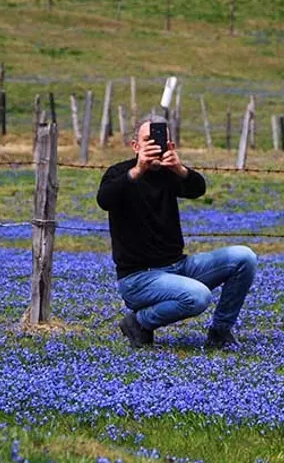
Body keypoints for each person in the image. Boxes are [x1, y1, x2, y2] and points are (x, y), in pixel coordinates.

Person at [96, 114, 257, 349]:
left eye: (160, 140)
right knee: (199, 296)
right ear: (135, 146)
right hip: (139, 277)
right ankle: (139, 322)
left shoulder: (170, 173)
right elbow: (105, 199)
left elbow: (197, 189)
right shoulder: (119, 173)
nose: (154, 145)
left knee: (245, 257)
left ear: (169, 145)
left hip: (179, 267)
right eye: (148, 140)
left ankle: (220, 332)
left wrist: (180, 169)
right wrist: (138, 170)